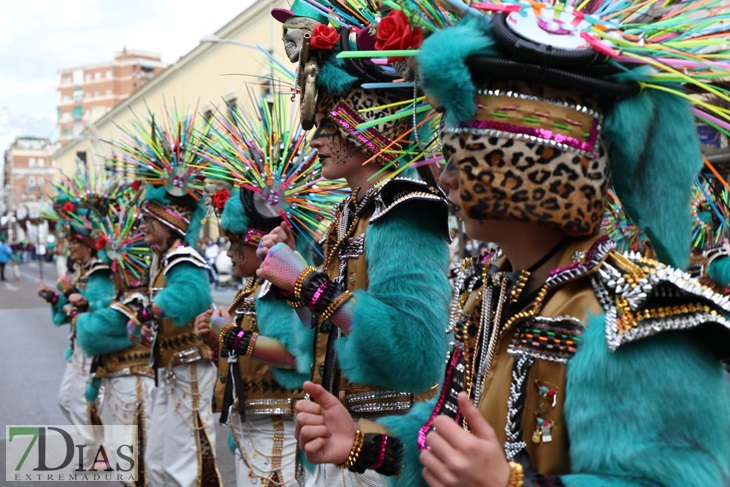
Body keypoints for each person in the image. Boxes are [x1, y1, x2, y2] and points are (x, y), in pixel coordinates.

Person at [293, 0, 730, 485]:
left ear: (524, 162)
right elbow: (451, 448)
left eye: (463, 150)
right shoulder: (492, 297)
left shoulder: (635, 320)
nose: (445, 173)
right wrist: (360, 444)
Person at [260, 2, 453, 485]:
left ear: (364, 123)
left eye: (325, 124)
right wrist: (294, 283)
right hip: (340, 430)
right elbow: (327, 332)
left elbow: (415, 349)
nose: (314, 141)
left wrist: (305, 282)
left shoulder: (405, 206)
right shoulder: (348, 215)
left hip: (380, 442)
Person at [194, 94, 346, 486]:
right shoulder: (254, 289)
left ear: (255, 240)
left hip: (276, 427)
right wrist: (218, 340)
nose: (228, 254)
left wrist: (231, 335)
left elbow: (293, 355)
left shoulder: (276, 288)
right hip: (258, 424)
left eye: (234, 245)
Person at [118, 108, 220, 487]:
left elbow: (192, 296)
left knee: (183, 461)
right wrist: (147, 330)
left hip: (190, 368)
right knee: (157, 461)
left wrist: (148, 312)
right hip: (169, 368)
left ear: (169, 222)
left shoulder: (183, 258)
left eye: (149, 219)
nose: (142, 226)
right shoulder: (160, 262)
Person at [37, 168, 116, 467]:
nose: (69, 247)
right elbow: (68, 310)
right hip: (78, 343)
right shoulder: (78, 272)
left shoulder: (98, 271)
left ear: (86, 244)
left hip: (91, 344)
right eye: (68, 242)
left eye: (73, 242)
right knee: (66, 399)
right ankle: (96, 445)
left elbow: (107, 303)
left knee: (83, 400)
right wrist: (55, 297)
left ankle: (100, 449)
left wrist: (81, 299)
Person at [75, 202, 154, 486]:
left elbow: (91, 335)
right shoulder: (127, 299)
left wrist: (81, 315)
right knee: (128, 456)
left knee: (133, 454)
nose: (112, 275)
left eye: (114, 269)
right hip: (122, 382)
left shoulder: (134, 300)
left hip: (132, 382)